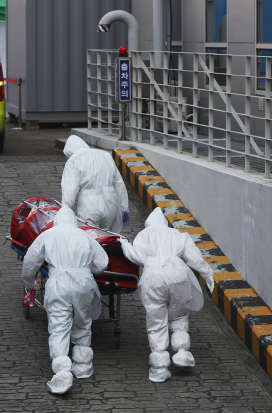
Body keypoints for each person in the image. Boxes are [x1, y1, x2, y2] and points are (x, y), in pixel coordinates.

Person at [119, 207, 215, 383]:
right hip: (178, 274)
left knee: (156, 319)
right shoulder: (179, 234)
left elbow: (138, 257)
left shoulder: (144, 234)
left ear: (149, 223)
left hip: (153, 277)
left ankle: (160, 366)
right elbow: (194, 257)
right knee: (179, 314)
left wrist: (125, 245)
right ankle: (182, 352)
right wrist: (207, 273)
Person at [21, 207, 109, 394]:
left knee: (59, 325)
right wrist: (85, 269)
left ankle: (62, 371)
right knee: (83, 321)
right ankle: (83, 365)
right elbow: (102, 263)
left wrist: (31, 284)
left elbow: (30, 263)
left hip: (58, 284)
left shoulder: (48, 235)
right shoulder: (86, 237)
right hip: (83, 283)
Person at [61, 136, 130, 234]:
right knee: (110, 240)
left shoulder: (74, 159)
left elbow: (70, 189)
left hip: (89, 206)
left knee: (91, 240)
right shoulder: (105, 155)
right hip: (111, 204)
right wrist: (124, 208)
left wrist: (65, 210)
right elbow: (119, 184)